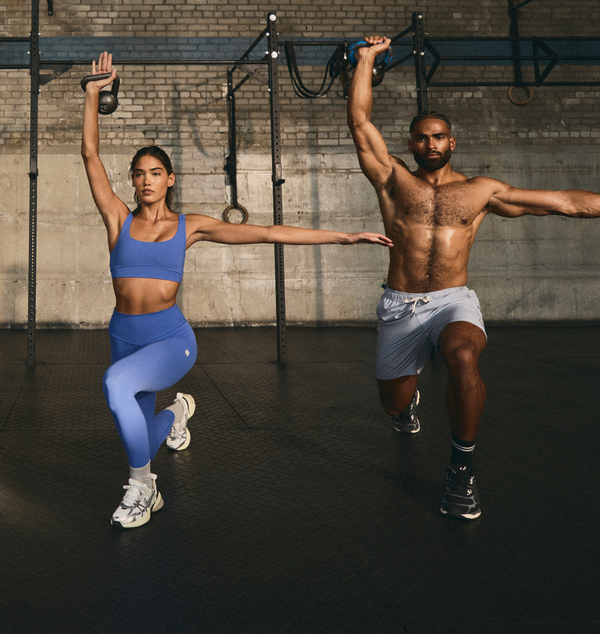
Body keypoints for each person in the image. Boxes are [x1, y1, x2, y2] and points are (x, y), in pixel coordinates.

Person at [82, 52, 392, 529]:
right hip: (123, 336)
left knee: (115, 385)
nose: (146, 180)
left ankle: (144, 488)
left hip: (170, 340)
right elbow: (90, 155)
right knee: (139, 432)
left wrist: (344, 237)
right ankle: (178, 413)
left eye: (155, 172)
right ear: (132, 180)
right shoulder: (117, 219)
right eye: (139, 173)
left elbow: (267, 233)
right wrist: (92, 94)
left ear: (170, 179)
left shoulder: (189, 226)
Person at [347, 36, 600, 520]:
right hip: (400, 304)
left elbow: (565, 202)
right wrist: (365, 60)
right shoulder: (392, 179)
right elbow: (360, 122)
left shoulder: (481, 191)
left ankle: (461, 468)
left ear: (452, 142)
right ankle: (407, 404)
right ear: (411, 144)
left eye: (439, 136)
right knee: (392, 405)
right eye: (422, 138)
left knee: (463, 355)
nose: (431, 144)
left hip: (452, 301)